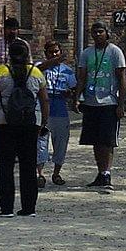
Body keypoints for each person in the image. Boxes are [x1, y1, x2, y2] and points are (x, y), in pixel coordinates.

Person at [0, 37, 47, 216]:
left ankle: (6, 207)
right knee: (28, 165)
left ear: (9, 55)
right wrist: (43, 120)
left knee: (5, 166)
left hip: (4, 122)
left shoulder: (1, 71)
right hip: (30, 123)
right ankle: (29, 208)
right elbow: (44, 99)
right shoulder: (36, 72)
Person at [76, 20, 126, 189]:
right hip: (91, 102)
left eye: (100, 32)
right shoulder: (87, 53)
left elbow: (121, 78)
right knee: (95, 140)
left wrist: (121, 104)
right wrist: (77, 97)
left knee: (107, 140)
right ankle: (100, 173)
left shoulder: (115, 52)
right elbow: (82, 77)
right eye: (94, 32)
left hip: (109, 102)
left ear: (107, 33)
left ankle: (107, 173)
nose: (97, 35)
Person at [40, 35, 76, 185]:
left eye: (56, 52)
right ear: (46, 53)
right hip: (43, 110)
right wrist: (52, 62)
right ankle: (40, 174)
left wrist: (70, 94)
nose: (54, 55)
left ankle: (56, 173)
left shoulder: (67, 71)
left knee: (60, 143)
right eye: (51, 52)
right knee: (40, 144)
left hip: (60, 110)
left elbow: (74, 88)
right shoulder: (40, 67)